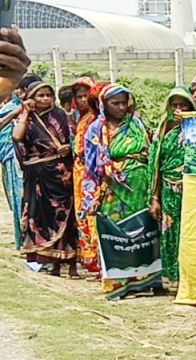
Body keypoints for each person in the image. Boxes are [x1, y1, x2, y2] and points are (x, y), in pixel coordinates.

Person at [84, 84, 163, 299]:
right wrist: (92, 196)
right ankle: (120, 283)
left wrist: (154, 192)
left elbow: (151, 155)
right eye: (115, 103)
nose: (120, 107)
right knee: (116, 233)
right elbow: (90, 167)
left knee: (144, 231)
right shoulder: (95, 130)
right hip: (112, 188)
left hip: (140, 185)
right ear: (104, 104)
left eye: (123, 103)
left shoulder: (136, 124)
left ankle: (147, 280)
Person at [150, 87, 196, 292]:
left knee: (191, 232)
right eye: (175, 105)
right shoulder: (163, 131)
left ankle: (193, 280)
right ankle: (174, 279)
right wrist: (154, 197)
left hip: (194, 189)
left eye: (183, 105)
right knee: (171, 234)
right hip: (168, 189)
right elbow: (155, 166)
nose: (178, 109)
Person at [12, 81, 77, 276]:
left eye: (48, 95)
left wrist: (68, 149)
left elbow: (74, 140)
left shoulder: (61, 116)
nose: (45, 99)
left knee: (64, 215)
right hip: (36, 176)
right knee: (42, 217)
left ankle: (71, 262)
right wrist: (25, 112)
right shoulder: (26, 119)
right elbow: (17, 137)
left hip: (59, 173)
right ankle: (52, 262)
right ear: (31, 98)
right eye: (40, 95)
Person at [71, 78, 103, 275]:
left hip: (92, 172)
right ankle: (89, 256)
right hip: (79, 172)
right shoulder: (82, 118)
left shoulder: (98, 120)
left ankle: (98, 259)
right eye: (79, 96)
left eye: (86, 96)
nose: (83, 100)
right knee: (82, 213)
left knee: (93, 214)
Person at [0, 81, 25, 249]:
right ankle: (22, 238)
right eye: (16, 88)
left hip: (31, 160)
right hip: (10, 157)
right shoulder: (9, 108)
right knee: (17, 197)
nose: (19, 92)